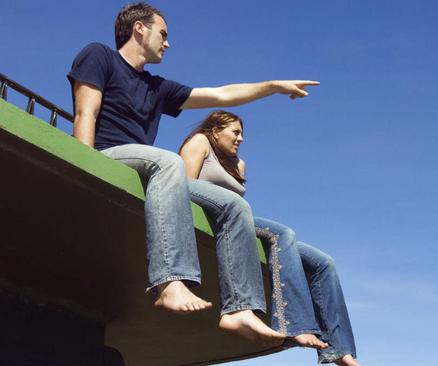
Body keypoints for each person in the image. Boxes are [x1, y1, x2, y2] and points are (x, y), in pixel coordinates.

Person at [67, 2, 319, 346]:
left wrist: (272, 86)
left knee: (235, 207)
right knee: (168, 161)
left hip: (151, 170)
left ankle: (239, 309)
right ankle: (170, 280)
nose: (168, 43)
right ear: (140, 28)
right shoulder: (99, 56)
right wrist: (85, 170)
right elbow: (85, 114)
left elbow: (221, 94)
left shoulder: (158, 88)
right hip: (109, 156)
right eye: (163, 34)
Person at [179, 110, 361, 366]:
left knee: (323, 262)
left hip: (236, 221)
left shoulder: (238, 164)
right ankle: (295, 324)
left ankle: (340, 350)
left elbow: (239, 206)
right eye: (235, 132)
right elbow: (183, 186)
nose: (240, 138)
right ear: (215, 130)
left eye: (243, 134)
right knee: (282, 233)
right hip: (209, 216)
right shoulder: (199, 142)